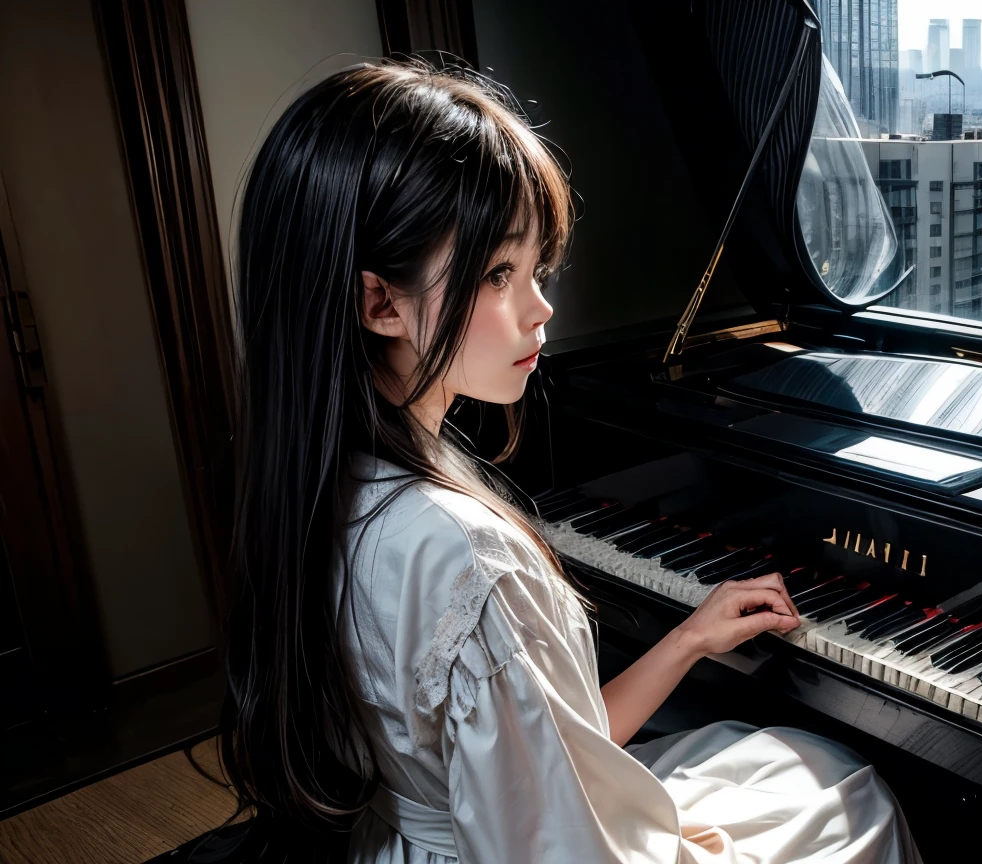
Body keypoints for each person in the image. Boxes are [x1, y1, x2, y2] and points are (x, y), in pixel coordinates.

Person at [221, 60, 920, 864]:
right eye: (497, 274)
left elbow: (537, 755)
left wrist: (687, 639)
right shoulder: (463, 554)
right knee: (847, 791)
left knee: (780, 763)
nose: (541, 307)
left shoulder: (327, 484)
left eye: (534, 269)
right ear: (379, 302)